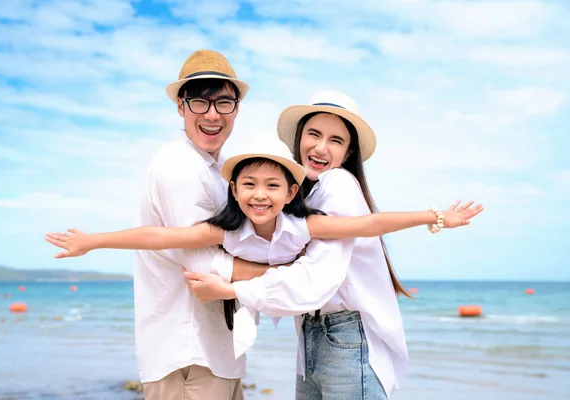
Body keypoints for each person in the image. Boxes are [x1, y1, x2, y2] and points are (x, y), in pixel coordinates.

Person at [45, 140, 481, 358]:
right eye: (249, 185)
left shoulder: (304, 225)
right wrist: (93, 241)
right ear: (233, 190)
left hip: (298, 310)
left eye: (273, 186)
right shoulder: (226, 232)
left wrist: (435, 217)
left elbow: (369, 223)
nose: (260, 195)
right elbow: (160, 235)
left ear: (292, 190)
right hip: (260, 313)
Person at [181, 91, 483, 399]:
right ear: (299, 139)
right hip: (317, 337)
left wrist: (230, 288)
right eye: (314, 134)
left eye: (336, 141)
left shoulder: (337, 185)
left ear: (348, 153)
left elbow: (314, 277)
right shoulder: (301, 201)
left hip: (345, 337)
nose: (321, 148)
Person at [128, 49, 252, 400]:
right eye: (199, 102)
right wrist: (289, 270)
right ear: (181, 108)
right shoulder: (179, 166)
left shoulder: (219, 168)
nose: (212, 115)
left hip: (211, 353)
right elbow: (203, 267)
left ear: (237, 108)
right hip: (187, 355)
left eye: (223, 103)